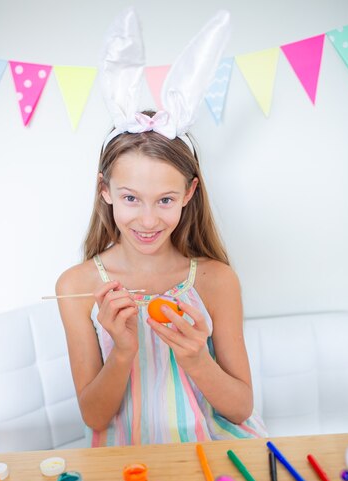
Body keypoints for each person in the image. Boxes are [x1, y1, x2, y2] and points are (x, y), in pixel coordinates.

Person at [56, 9, 267, 446]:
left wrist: (196, 359)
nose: (148, 220)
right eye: (131, 198)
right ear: (105, 191)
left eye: (165, 200)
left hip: (214, 447)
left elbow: (241, 408)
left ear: (189, 194)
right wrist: (123, 352)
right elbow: (94, 417)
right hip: (126, 460)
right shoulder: (77, 285)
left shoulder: (215, 279)